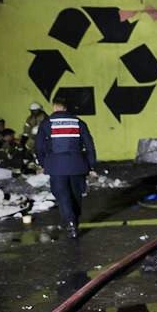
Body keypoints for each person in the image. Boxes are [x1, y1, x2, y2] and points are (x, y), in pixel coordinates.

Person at [34, 101, 96, 239]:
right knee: (76, 195)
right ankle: (75, 220)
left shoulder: (46, 123)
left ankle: (70, 222)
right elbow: (89, 145)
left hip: (56, 166)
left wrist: (44, 163)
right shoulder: (78, 122)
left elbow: (39, 147)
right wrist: (91, 164)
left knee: (63, 196)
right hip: (77, 164)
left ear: (55, 107)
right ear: (65, 107)